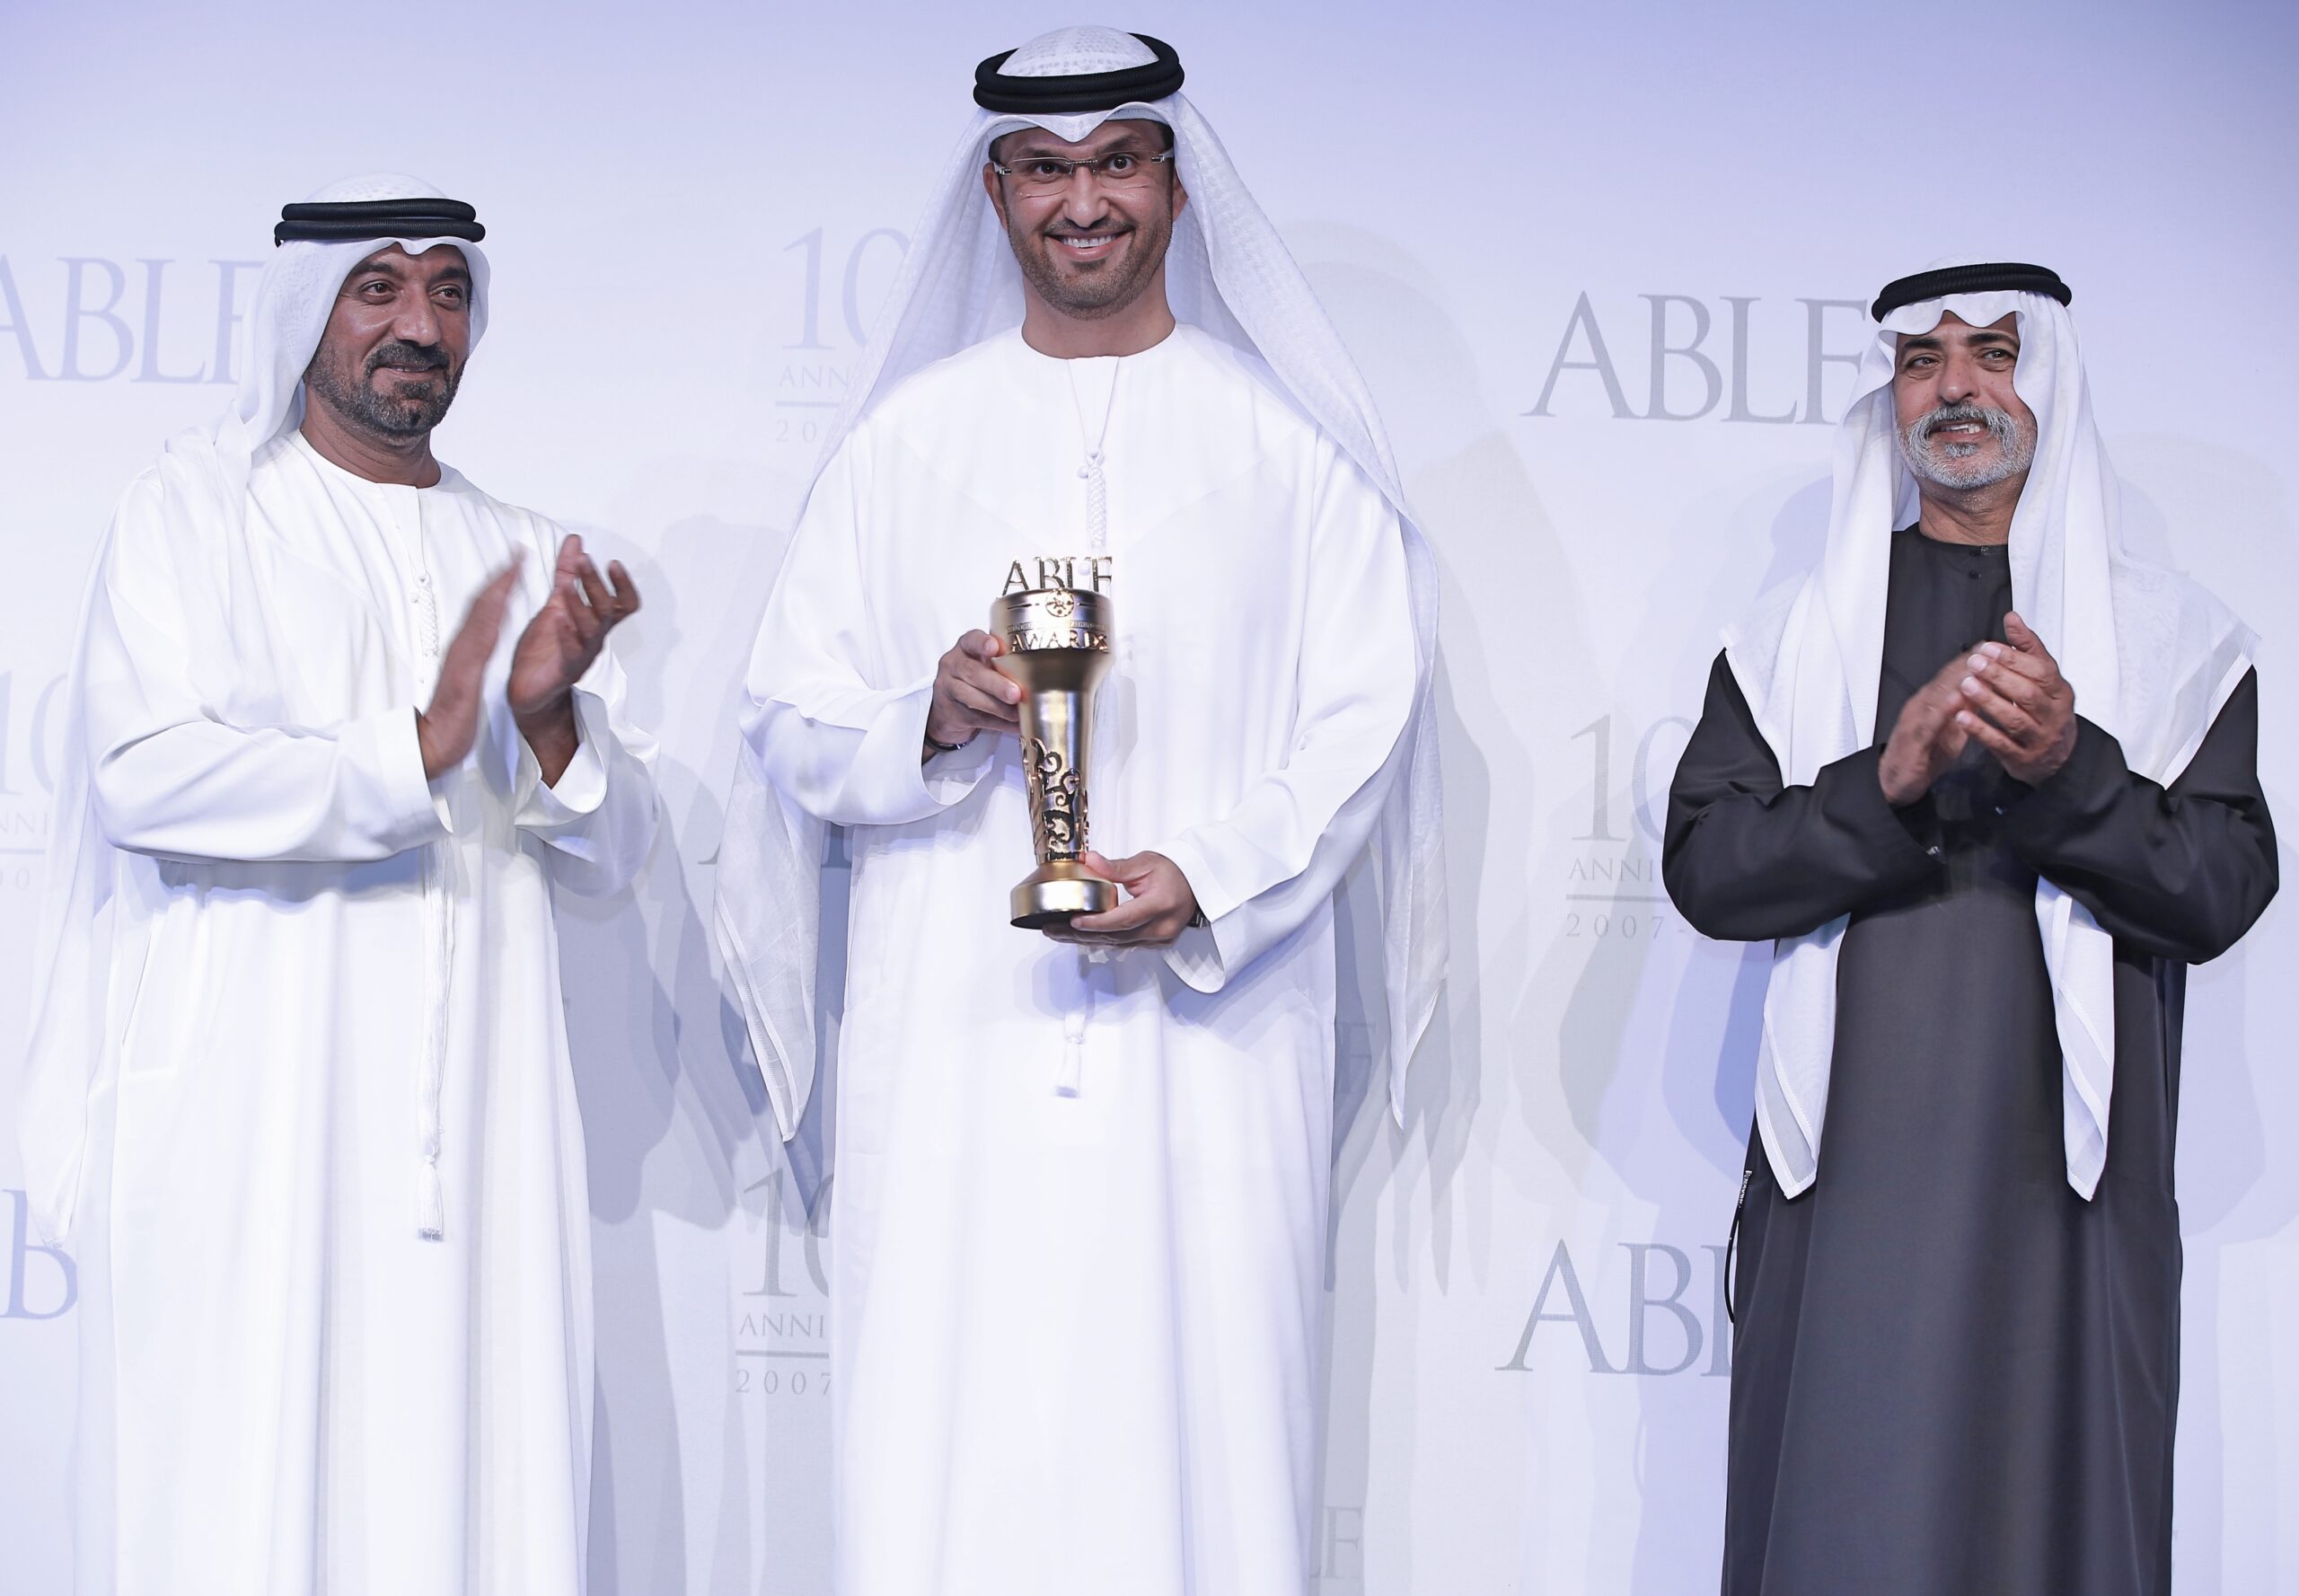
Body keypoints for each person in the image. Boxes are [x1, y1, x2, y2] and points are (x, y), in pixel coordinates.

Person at [715, 27, 1445, 1595]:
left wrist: (1212, 876)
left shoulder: (1291, 445)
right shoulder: (903, 445)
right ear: (996, 193)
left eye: (1117, 162)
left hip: (1215, 1048)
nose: (1083, 202)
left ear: (1178, 189)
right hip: (954, 1048)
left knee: (1208, 1449)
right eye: (1047, 170)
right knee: (948, 1447)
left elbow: (1360, 721)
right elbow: (786, 710)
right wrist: (927, 710)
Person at [18, 175, 658, 1594]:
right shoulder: (195, 507)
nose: (419, 325)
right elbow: (142, 773)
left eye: (448, 291)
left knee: (473, 1496)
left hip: (481, 1145)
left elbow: (614, 858)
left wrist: (551, 718)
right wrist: (408, 751)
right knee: (242, 1497)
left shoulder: (521, 543)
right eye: (381, 288)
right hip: (253, 1132)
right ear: (309, 310)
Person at [1662, 260, 2276, 1596]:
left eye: (1994, 352)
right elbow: (1711, 869)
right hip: (1846, 1203)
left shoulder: (2177, 642)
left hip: (2067, 1209)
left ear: (2046, 378)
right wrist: (1881, 781)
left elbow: (2221, 887)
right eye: (1921, 361)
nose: (1956, 388)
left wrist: (2073, 766)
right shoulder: (1790, 640)